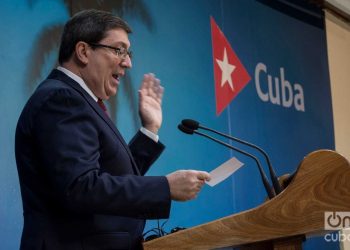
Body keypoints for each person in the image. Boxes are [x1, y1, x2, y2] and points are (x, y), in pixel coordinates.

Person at [15, 9, 210, 250]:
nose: (128, 62)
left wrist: (149, 129)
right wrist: (165, 187)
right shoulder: (61, 98)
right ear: (84, 52)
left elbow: (110, 177)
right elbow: (81, 187)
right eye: (119, 50)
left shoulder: (75, 99)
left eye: (128, 53)